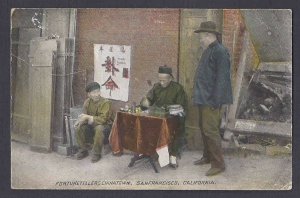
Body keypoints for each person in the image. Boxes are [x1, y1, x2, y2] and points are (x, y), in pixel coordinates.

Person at [193, 21, 233, 176]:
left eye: (202, 37)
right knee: (204, 129)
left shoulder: (220, 51)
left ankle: (218, 164)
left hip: (211, 100)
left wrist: (216, 101)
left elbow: (222, 79)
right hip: (204, 98)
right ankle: (208, 157)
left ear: (209, 36)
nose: (200, 40)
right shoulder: (210, 50)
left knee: (210, 131)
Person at [143, 65, 187, 169]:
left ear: (170, 78)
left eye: (164, 80)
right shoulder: (156, 87)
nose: (161, 83)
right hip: (160, 117)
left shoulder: (178, 88)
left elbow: (180, 105)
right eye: (160, 80)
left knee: (176, 129)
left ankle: (173, 156)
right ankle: (156, 152)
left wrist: (167, 109)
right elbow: (149, 99)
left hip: (174, 117)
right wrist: (145, 102)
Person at [75, 82, 113, 163]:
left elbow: (103, 120)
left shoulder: (105, 102)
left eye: (98, 91)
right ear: (89, 94)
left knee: (99, 128)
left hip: (105, 126)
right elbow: (84, 116)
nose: (97, 94)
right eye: (94, 92)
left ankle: (97, 153)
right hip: (92, 125)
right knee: (79, 127)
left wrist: (88, 117)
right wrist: (80, 121)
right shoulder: (87, 102)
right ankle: (83, 150)